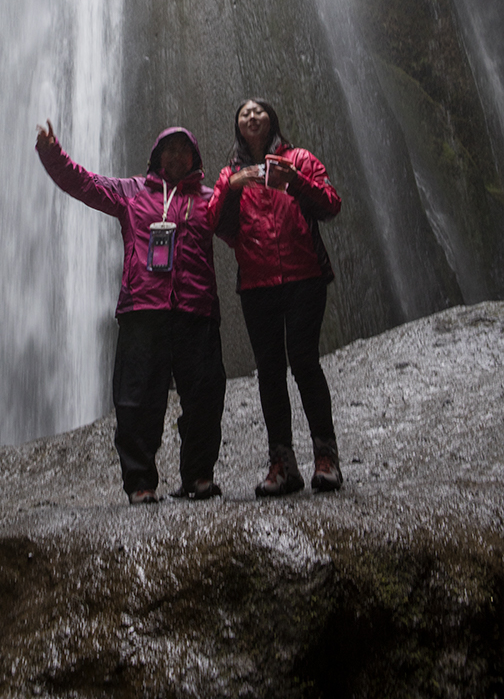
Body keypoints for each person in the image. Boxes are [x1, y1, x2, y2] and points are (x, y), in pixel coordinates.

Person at [36, 120, 226, 504]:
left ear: (194, 158)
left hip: (195, 309)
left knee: (205, 396)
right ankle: (141, 482)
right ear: (157, 157)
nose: (175, 156)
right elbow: (84, 183)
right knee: (137, 399)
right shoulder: (132, 192)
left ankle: (199, 477)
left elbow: (245, 226)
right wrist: (52, 152)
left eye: (183, 150)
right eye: (168, 150)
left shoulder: (208, 199)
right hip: (143, 311)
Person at [211, 98, 342, 497]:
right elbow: (212, 222)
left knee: (303, 360)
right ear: (237, 126)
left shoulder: (298, 158)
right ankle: (282, 463)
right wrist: (231, 188)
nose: (252, 116)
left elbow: (331, 203)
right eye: (244, 112)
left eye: (259, 110)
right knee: (269, 370)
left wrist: (295, 181)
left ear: (272, 119)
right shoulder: (232, 173)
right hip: (257, 283)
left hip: (304, 277)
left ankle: (326, 457)